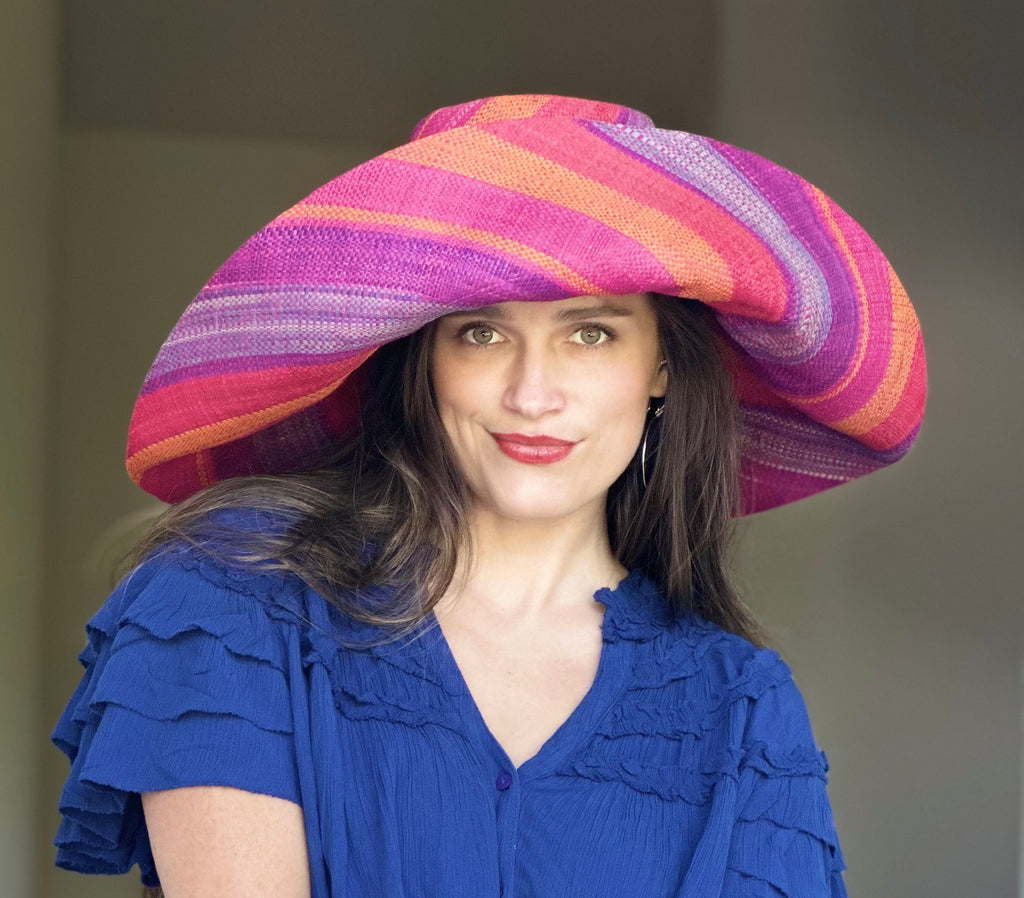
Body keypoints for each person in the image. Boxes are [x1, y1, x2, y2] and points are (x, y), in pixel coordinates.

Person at [53, 94, 926, 897]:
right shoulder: (234, 596)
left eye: (590, 333)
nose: (532, 392)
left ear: (659, 365)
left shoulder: (740, 703)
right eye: (481, 333)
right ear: (424, 361)